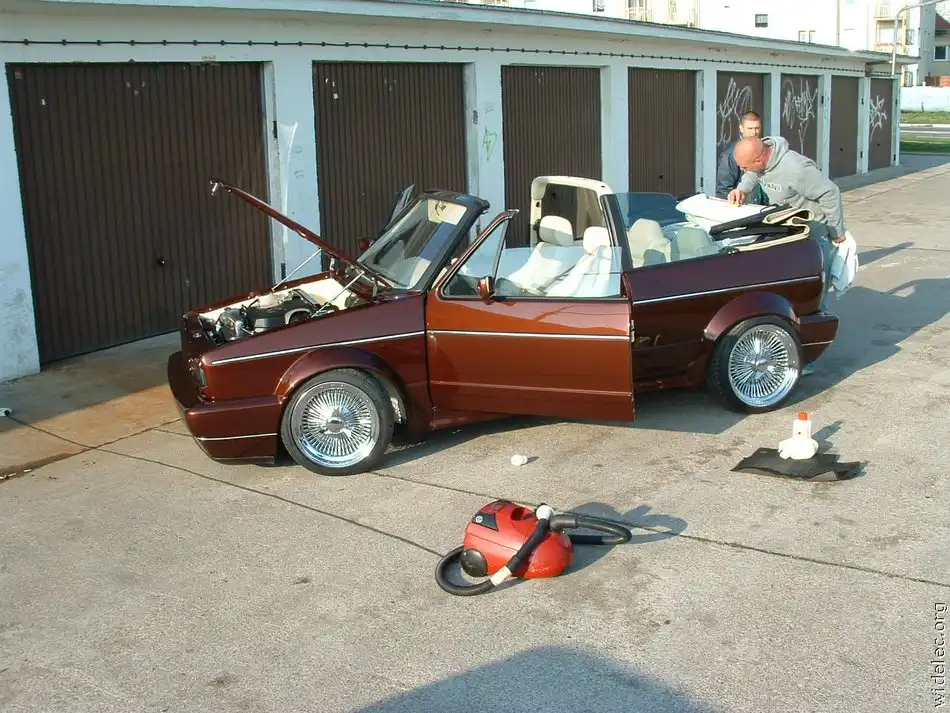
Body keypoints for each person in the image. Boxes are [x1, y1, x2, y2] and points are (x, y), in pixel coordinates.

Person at [727, 135, 852, 376]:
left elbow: (830, 193)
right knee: (785, 293)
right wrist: (741, 189)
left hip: (813, 237)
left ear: (761, 159)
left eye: (745, 165)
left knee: (812, 297)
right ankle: (782, 345)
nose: (743, 170)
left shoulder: (796, 169)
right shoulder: (759, 164)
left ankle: (807, 359)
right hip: (787, 234)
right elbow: (753, 174)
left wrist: (837, 232)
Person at [715, 110, 767, 205]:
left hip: (766, 206)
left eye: (757, 128)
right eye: (750, 128)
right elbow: (723, 191)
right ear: (741, 128)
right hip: (744, 207)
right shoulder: (730, 154)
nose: (754, 132)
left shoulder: (765, 149)